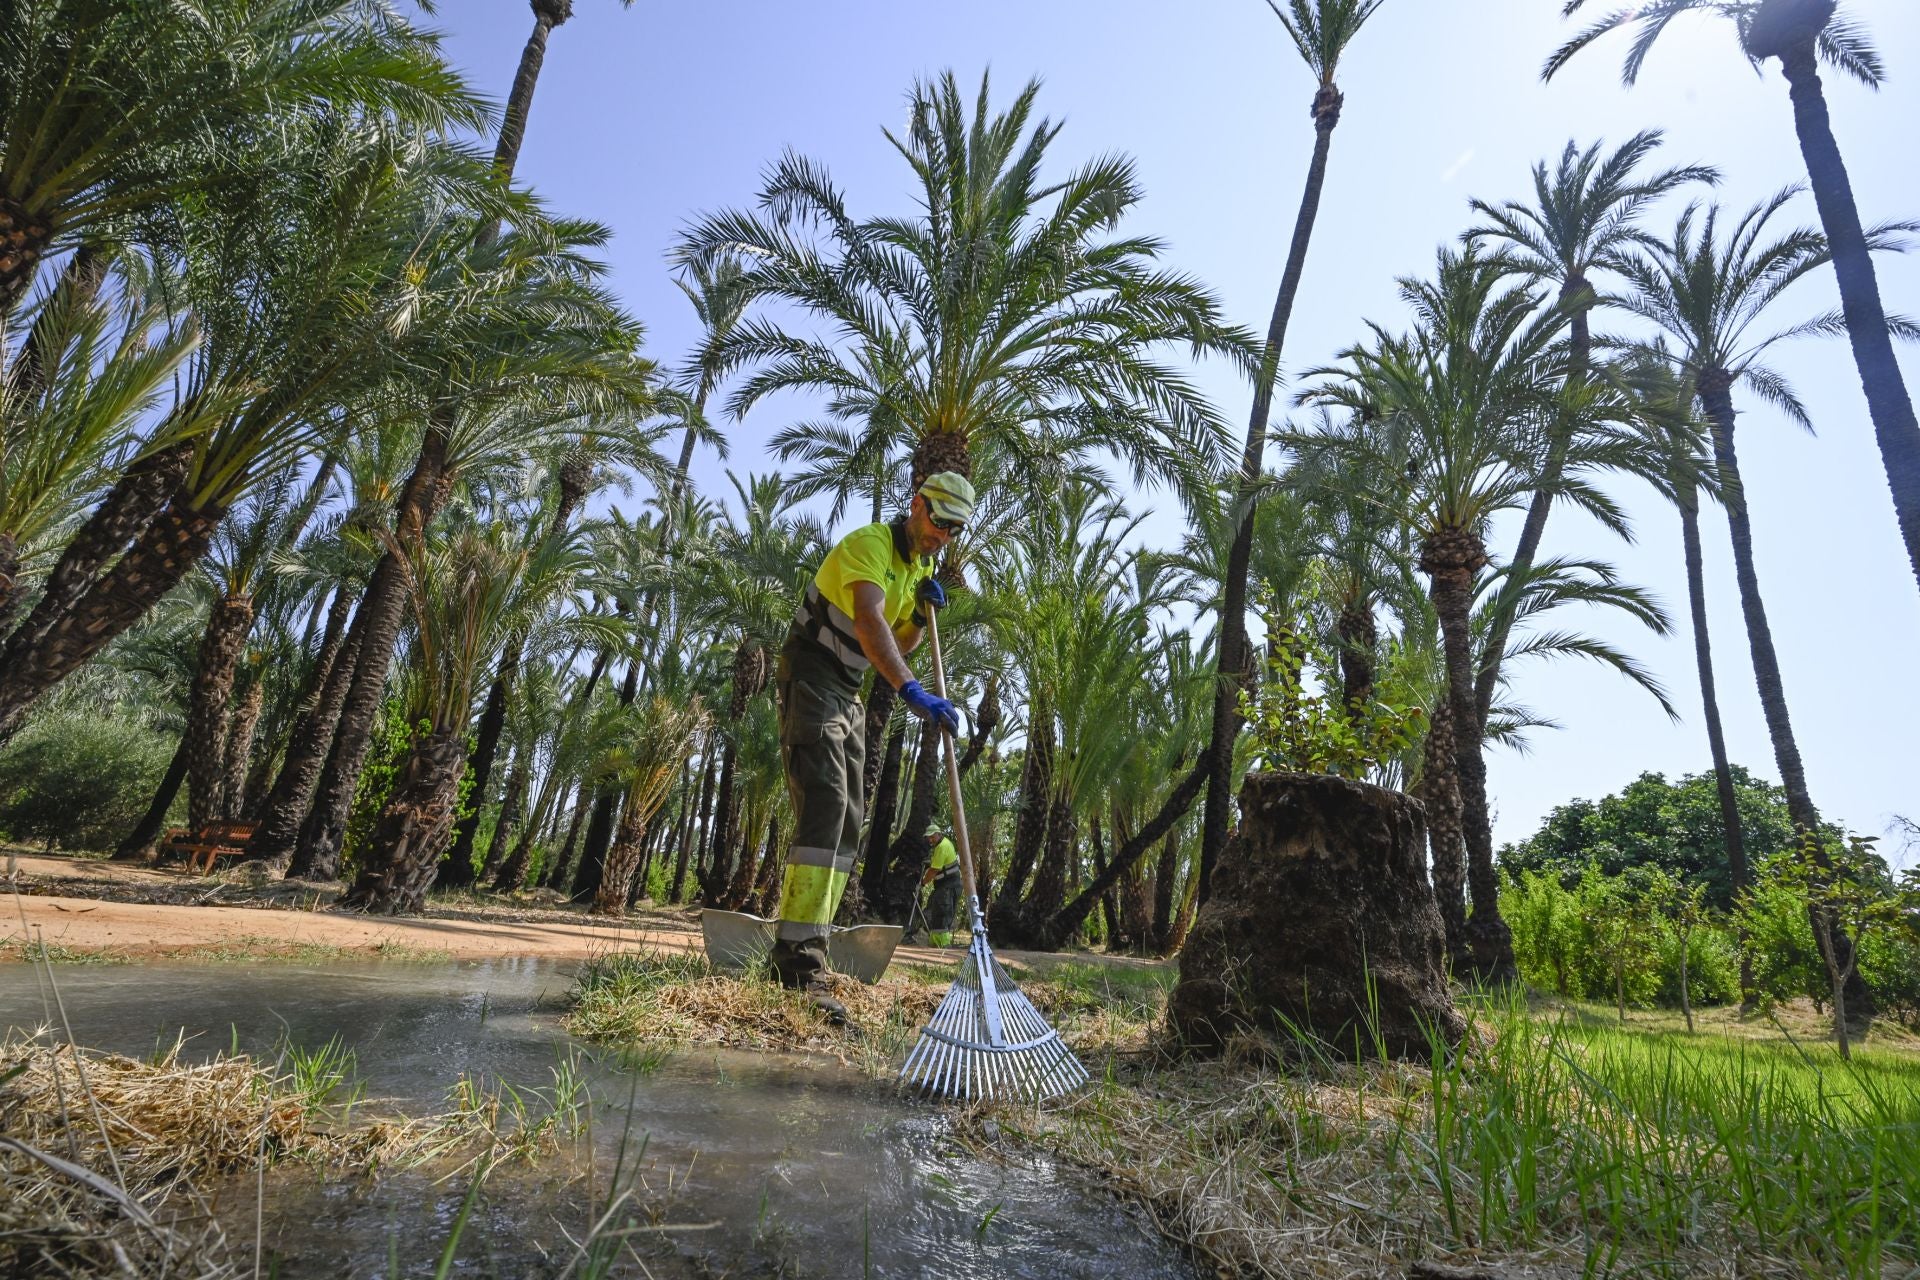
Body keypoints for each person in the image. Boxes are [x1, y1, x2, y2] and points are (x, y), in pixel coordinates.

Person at [768, 472, 975, 1019]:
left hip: (847, 690)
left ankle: (808, 940)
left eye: (953, 529)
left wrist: (919, 618)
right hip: (812, 674)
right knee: (827, 801)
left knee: (849, 818)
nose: (941, 535)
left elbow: (900, 639)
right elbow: (868, 623)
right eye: (938, 521)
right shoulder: (871, 545)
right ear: (917, 505)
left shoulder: (918, 568)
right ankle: (796, 965)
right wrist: (912, 689)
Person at [919, 828, 962, 947]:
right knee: (937, 913)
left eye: (932, 836)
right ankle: (935, 942)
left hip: (947, 886)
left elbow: (934, 871)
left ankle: (943, 944)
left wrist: (923, 883)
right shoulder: (943, 844)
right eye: (929, 837)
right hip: (946, 886)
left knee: (943, 914)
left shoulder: (942, 847)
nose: (930, 840)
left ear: (939, 834)